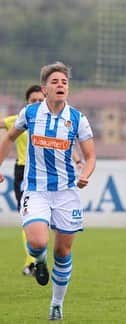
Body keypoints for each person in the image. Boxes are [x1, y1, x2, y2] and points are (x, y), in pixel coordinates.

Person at [0, 62, 96, 320]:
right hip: (36, 189)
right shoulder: (30, 113)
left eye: (64, 82)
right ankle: (39, 261)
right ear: (45, 88)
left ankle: (56, 303)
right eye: (55, 82)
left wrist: (85, 175)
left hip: (67, 192)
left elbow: (90, 155)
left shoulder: (77, 119)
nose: (60, 85)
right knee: (38, 241)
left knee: (63, 251)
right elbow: (9, 137)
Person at [0, 85, 44, 276]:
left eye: (40, 100)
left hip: (45, 172)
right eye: (33, 100)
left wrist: (76, 159)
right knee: (28, 217)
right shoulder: (19, 120)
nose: (37, 103)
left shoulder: (52, 121)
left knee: (45, 221)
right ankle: (31, 262)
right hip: (23, 172)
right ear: (27, 103)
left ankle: (38, 257)